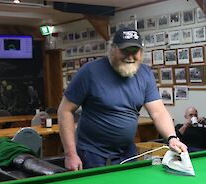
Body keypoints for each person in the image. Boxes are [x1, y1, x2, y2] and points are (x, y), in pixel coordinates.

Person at [58, 27, 187, 170]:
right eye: (125, 51)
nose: (130, 56)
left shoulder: (145, 74)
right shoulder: (90, 72)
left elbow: (158, 112)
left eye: (134, 51)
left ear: (141, 52)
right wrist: (70, 154)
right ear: (112, 49)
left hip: (127, 153)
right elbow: (65, 111)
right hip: (93, 154)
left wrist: (172, 138)